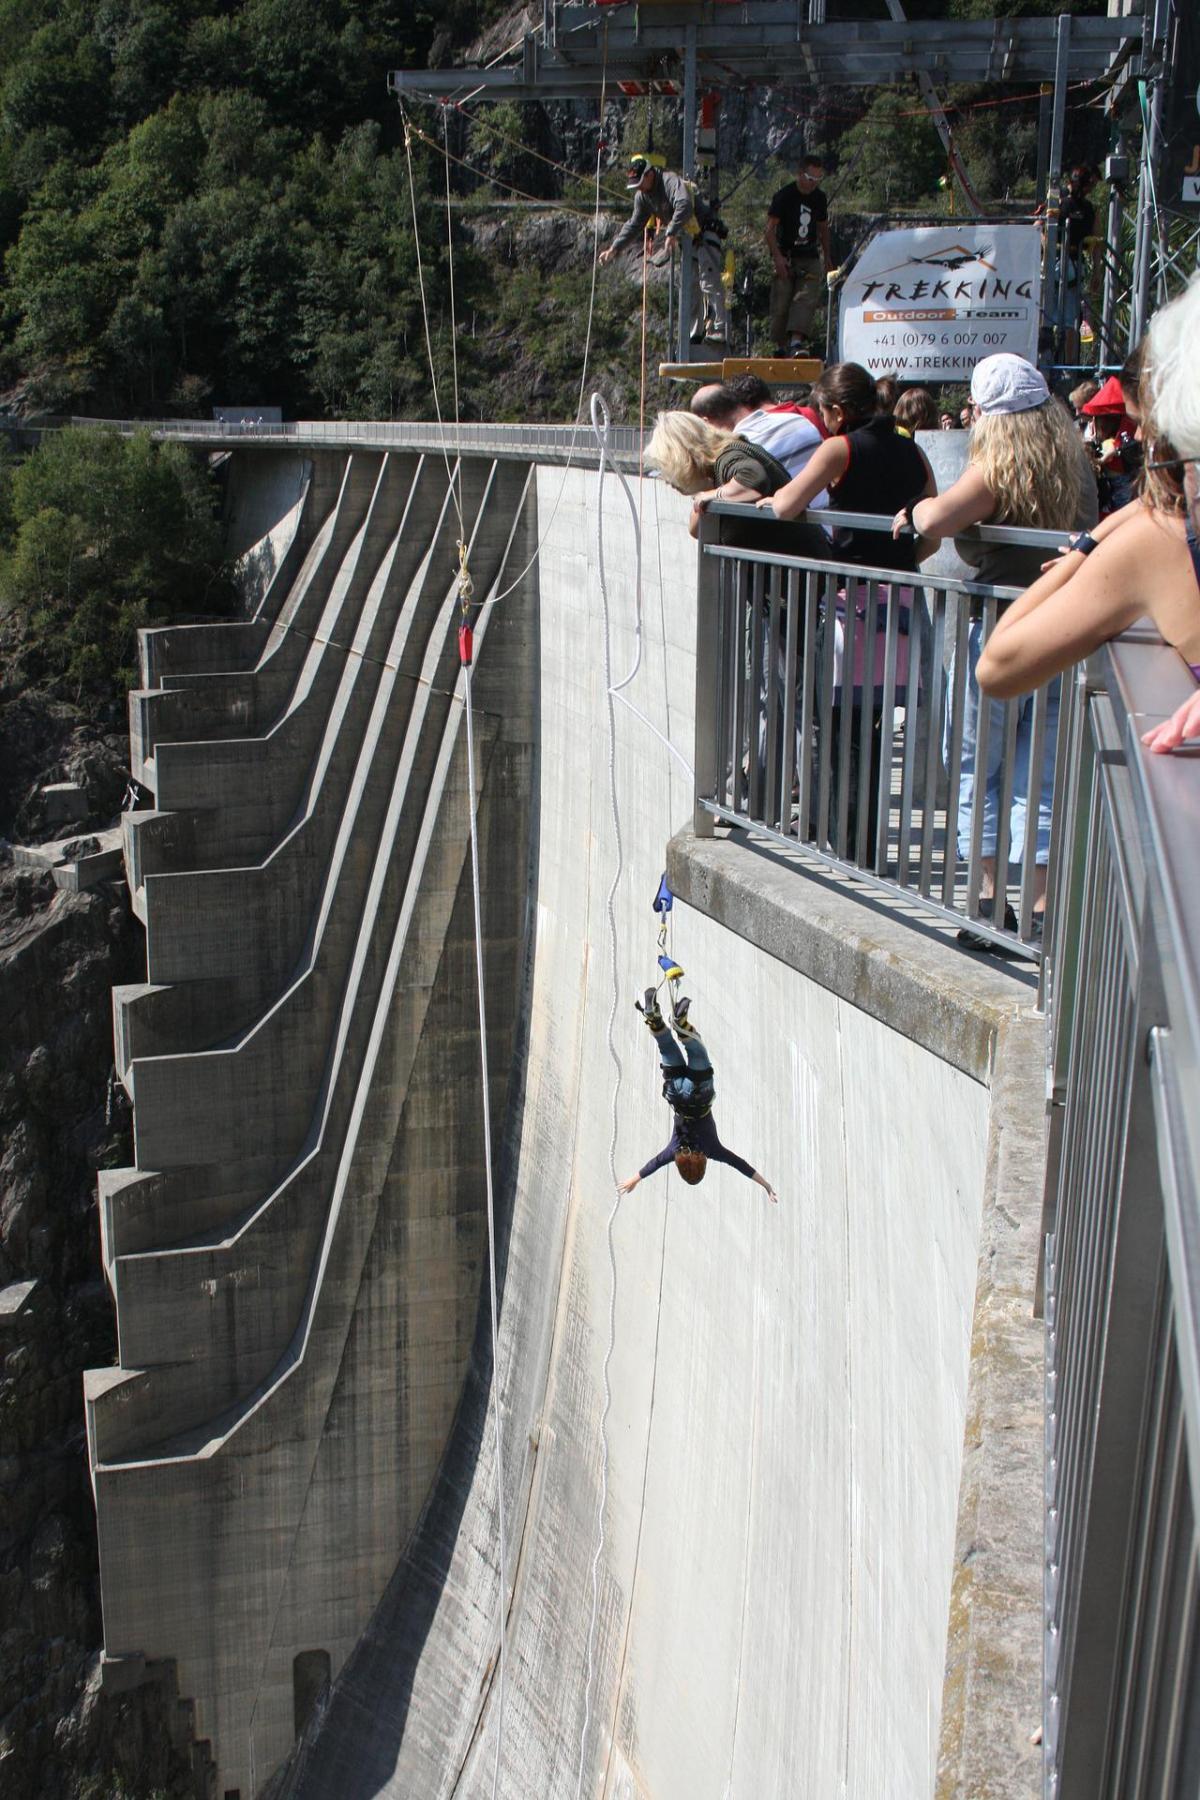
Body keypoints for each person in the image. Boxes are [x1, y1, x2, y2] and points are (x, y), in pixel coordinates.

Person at [892, 352, 1097, 949]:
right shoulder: (1074, 467)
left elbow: (939, 517)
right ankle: (1039, 906)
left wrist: (917, 511)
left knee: (977, 767)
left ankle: (985, 901)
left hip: (1003, 629)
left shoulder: (998, 469)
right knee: (1042, 776)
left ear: (989, 416)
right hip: (1063, 630)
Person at [977, 273, 1200, 723]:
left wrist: (1087, 550)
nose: (1135, 437)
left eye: (1144, 426)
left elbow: (998, 666)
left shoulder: (1157, 541)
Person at [759, 363, 937, 860]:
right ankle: (865, 847)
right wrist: (898, 562)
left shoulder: (841, 448)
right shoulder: (913, 448)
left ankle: (846, 845)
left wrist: (762, 499)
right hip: (898, 602)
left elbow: (786, 505)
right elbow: (933, 523)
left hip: (849, 605)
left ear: (836, 411)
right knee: (873, 728)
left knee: (833, 728)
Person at [618, 991, 777, 1202]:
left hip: (699, 1092)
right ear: (680, 1164)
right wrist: (634, 1179)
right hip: (675, 1092)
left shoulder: (712, 1150)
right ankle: (653, 1016)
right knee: (666, 1046)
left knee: (696, 1050)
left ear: (703, 1164)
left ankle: (680, 1022)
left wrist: (766, 1185)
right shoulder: (674, 1150)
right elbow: (653, 1164)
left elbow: (740, 1164)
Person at [600, 156, 726, 344]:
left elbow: (684, 204)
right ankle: (695, 334)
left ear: (650, 174)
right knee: (690, 285)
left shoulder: (669, 180)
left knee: (708, 280)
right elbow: (634, 225)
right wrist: (614, 248)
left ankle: (720, 328)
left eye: (641, 182)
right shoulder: (643, 197)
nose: (639, 188)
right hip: (689, 239)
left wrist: (671, 232)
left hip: (706, 232)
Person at [690, 378, 831, 502]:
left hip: (798, 527)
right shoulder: (799, 420)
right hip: (830, 523)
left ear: (706, 422)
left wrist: (710, 493)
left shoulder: (741, 448)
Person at [765, 153, 831, 357]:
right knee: (782, 301)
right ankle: (780, 345)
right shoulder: (784, 196)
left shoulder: (819, 198)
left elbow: (823, 228)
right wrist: (777, 257)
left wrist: (827, 256)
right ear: (800, 174)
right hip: (786, 255)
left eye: (818, 179)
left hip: (809, 256)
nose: (814, 183)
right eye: (811, 178)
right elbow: (769, 231)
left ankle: (796, 343)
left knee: (805, 298)